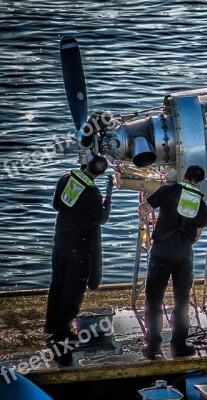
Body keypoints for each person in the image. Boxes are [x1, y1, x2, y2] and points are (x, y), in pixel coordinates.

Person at [45, 155, 113, 363]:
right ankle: (62, 331)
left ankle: (50, 323)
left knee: (57, 284)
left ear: (86, 165)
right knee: (74, 290)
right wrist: (108, 195)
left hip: (61, 241)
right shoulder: (93, 193)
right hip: (79, 248)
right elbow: (102, 218)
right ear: (101, 174)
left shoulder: (66, 179)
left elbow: (57, 205)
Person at [138, 165, 207, 359]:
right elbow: (197, 235)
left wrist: (146, 203)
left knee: (153, 300)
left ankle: (152, 346)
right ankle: (178, 346)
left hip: (160, 253)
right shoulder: (201, 205)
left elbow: (143, 211)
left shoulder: (167, 190)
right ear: (200, 182)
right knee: (182, 301)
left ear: (184, 177)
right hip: (184, 256)